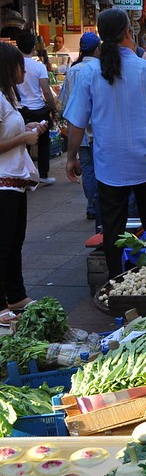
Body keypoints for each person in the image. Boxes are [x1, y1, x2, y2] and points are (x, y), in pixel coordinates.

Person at [64, 8, 146, 280]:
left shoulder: (89, 73)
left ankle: (116, 279)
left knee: (112, 226)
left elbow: (77, 122)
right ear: (129, 33)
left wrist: (71, 156)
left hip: (110, 166)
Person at [0, 42, 49, 312]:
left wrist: (27, 129)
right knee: (4, 244)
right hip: (3, 182)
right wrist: (23, 137)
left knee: (15, 240)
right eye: (20, 64)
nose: (24, 69)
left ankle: (16, 294)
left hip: (15, 181)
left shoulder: (7, 97)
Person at [57, 32, 102, 228]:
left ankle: (91, 206)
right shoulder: (99, 68)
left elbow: (65, 104)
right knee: (99, 170)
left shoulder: (74, 70)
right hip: (99, 132)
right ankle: (99, 205)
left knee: (87, 169)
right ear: (97, 49)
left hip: (79, 133)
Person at [15, 32, 58, 186]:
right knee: (44, 143)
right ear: (34, 47)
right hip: (39, 109)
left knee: (22, 144)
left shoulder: (14, 65)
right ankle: (43, 174)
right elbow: (46, 91)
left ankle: (24, 175)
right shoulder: (39, 66)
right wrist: (53, 108)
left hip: (20, 109)